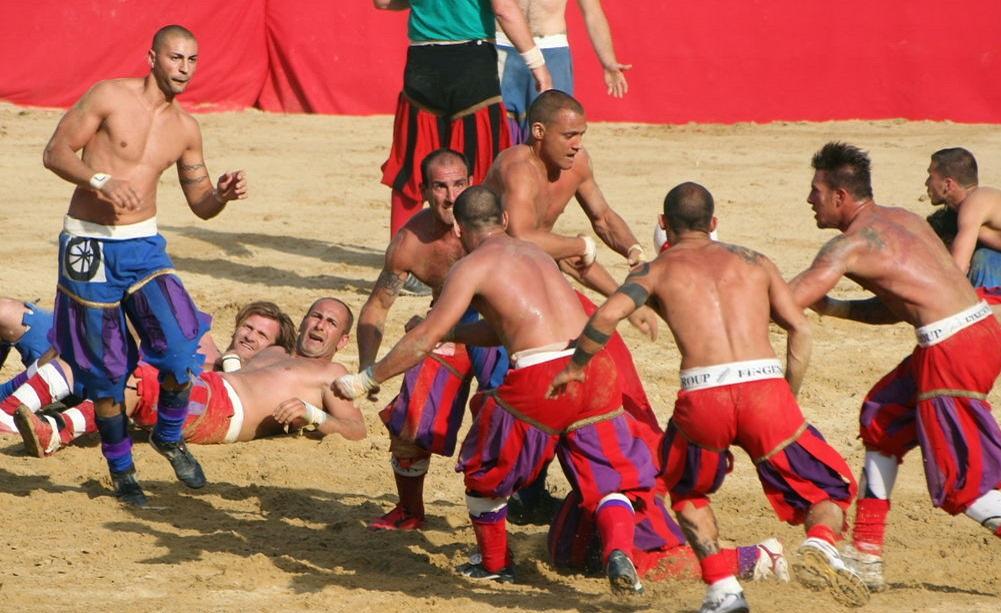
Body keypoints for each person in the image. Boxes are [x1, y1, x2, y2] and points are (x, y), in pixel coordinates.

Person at [548, 182, 867, 611]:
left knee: (684, 490)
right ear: (714, 224)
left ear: (664, 224)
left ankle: (723, 588)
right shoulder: (756, 261)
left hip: (704, 396)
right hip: (765, 390)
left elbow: (607, 316)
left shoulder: (656, 271)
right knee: (826, 487)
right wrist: (786, 393)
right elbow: (800, 329)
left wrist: (574, 367)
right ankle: (822, 542)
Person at [336, 186, 655, 596]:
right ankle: (617, 551)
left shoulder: (470, 267)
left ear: (459, 230)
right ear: (504, 220)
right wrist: (454, 331)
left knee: (484, 472)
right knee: (608, 477)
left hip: (540, 377)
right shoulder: (537, 253)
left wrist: (367, 379)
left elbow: (422, 341)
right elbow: (503, 325)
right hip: (592, 367)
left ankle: (495, 564)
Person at [41, 24, 248, 504]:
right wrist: (101, 181)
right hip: (88, 245)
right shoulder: (109, 96)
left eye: (193, 61)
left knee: (180, 349)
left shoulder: (186, 128)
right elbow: (55, 153)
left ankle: (169, 436)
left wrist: (221, 194)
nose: (185, 69)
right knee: (107, 372)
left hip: (143, 246)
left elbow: (200, 204)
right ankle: (121, 470)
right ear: (152, 57)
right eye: (177, 58)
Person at [789, 142, 1001, 593]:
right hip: (976, 333)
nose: (810, 200)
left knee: (960, 481)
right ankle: (866, 553)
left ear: (840, 197)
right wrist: (836, 309)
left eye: (816, 191)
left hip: (951, 350)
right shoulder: (903, 219)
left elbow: (787, 301)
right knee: (882, 417)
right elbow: (903, 304)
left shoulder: (849, 246)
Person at [484, 89, 662, 515]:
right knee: (503, 387)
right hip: (492, 285)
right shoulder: (516, 168)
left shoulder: (577, 164)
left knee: (585, 371)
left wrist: (633, 258)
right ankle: (508, 492)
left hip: (541, 278)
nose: (578, 143)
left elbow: (601, 218)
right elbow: (522, 237)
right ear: (539, 132)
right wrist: (580, 245)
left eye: (581, 133)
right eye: (569, 135)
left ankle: (574, 487)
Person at [16, 298, 365, 507]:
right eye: (316, 316)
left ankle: (56, 430)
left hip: (226, 411)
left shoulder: (332, 372)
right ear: (303, 321)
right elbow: (229, 359)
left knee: (142, 382)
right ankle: (41, 414)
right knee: (128, 367)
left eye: (331, 323)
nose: (320, 325)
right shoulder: (275, 351)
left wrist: (313, 414)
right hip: (211, 389)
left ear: (343, 339)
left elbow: (356, 429)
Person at [356, 148, 508, 530]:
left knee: (508, 414)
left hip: (500, 329)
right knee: (411, 416)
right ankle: (410, 510)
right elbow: (376, 307)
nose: (451, 195)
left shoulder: (496, 221)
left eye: (459, 184)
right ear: (423, 190)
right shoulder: (410, 243)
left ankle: (529, 499)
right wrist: (366, 368)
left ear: (471, 183)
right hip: (447, 329)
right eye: (440, 186)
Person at [376, 0, 553, 252]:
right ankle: (479, 249)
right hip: (472, 63)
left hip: (423, 60)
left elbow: (383, 2)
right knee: (480, 165)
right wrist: (537, 64)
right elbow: (504, 9)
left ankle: (401, 257)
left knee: (412, 166)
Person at [2, 301, 295, 447]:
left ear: (272, 354)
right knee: (7, 311)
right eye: (248, 327)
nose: (250, 336)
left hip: (96, 383)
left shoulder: (222, 396)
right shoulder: (200, 335)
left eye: (262, 336)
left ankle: (8, 409)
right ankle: (13, 396)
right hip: (66, 360)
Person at [497, 0, 631, 141]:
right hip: (503, 45)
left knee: (551, 126)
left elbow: (592, 13)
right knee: (501, 128)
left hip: (552, 50)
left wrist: (608, 61)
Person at [924, 147, 1001, 287]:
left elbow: (958, 269)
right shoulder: (976, 207)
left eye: (930, 176)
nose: (926, 183)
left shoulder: (975, 203)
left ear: (947, 184)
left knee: (984, 258)